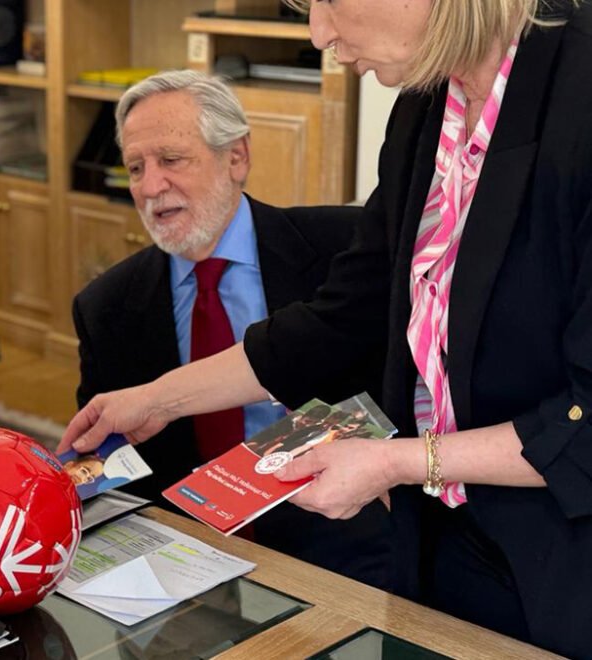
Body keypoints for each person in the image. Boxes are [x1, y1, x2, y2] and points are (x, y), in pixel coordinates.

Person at [60, 1, 592, 655]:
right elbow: (342, 316)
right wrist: (156, 399)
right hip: (444, 534)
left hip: (567, 555)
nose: (318, 33)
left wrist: (397, 462)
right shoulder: (428, 107)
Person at [72, 69, 390, 587]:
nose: (151, 186)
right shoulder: (105, 305)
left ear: (236, 157)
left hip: (341, 524)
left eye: (172, 160)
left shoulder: (344, 247)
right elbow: (109, 461)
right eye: (135, 168)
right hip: (190, 549)